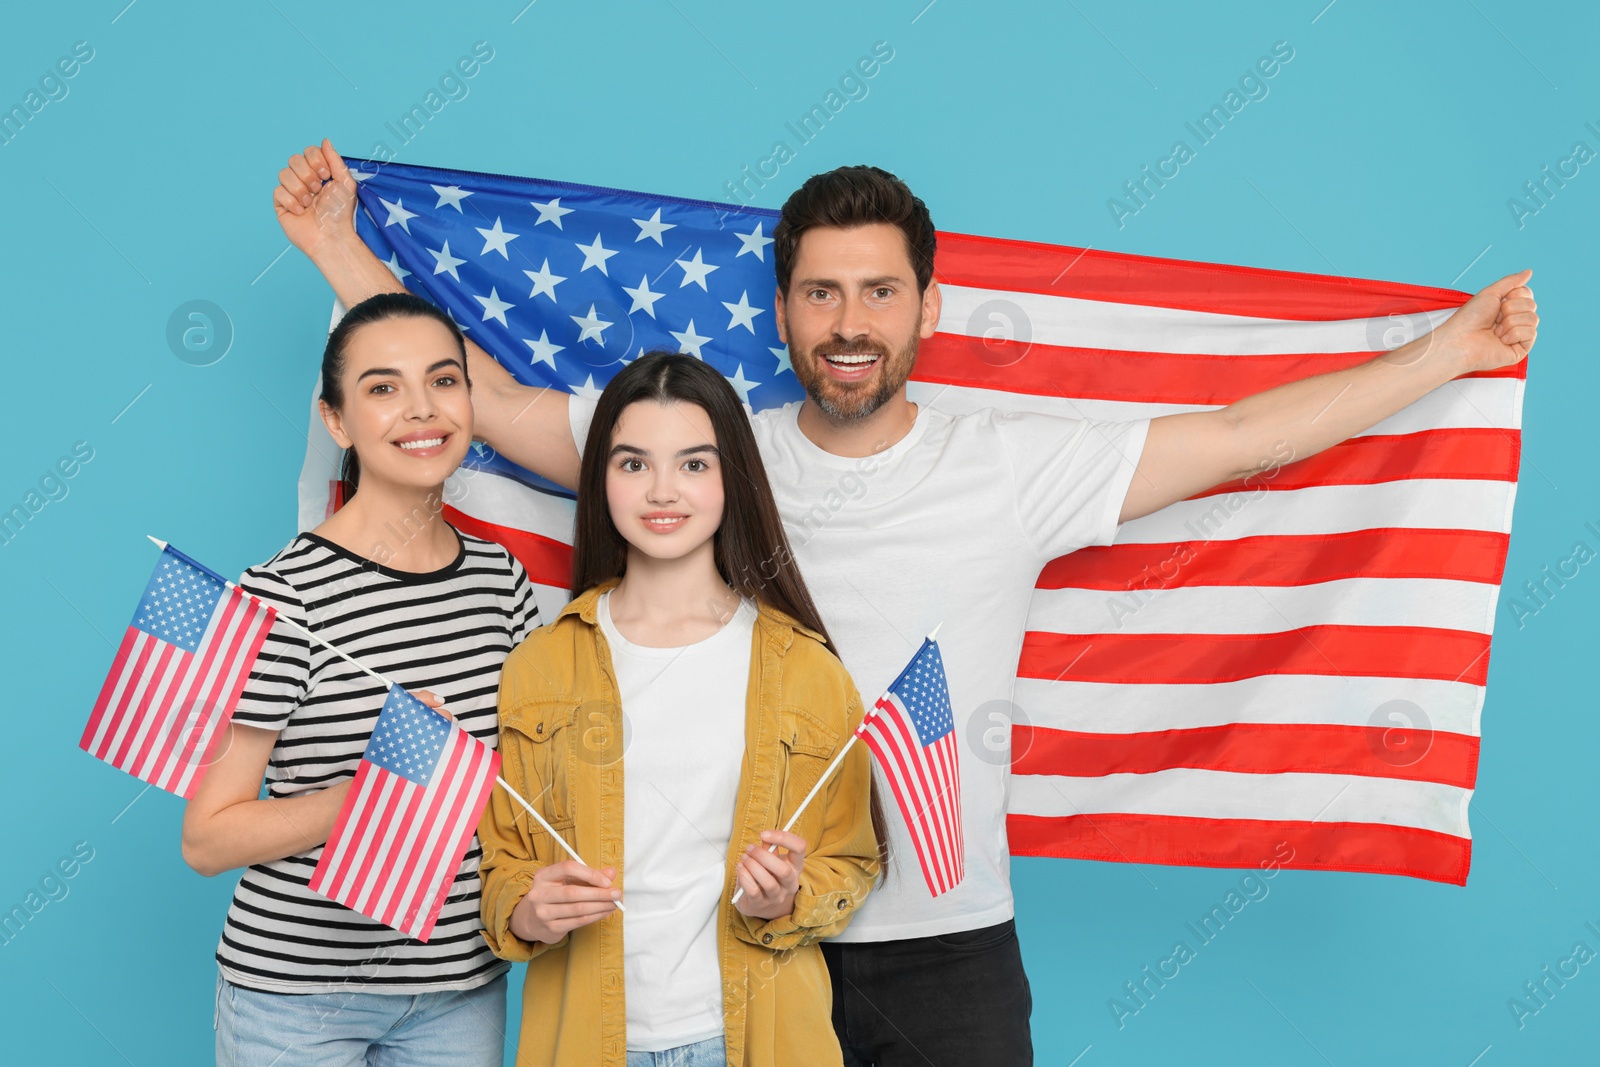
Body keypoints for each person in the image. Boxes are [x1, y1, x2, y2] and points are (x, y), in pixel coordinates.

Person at [274, 141, 1539, 1064]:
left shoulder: (1006, 463)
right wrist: (339, 249)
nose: (849, 320)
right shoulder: (703, 445)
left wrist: (1448, 352)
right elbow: (475, 403)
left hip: (946, 946)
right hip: (746, 946)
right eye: (820, 291)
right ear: (781, 312)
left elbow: (1237, 435)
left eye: (880, 291)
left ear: (927, 307)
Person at [477, 352, 884, 1066]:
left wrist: (787, 897)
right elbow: (504, 863)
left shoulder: (808, 669)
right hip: (586, 1041)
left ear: (733, 478)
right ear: (601, 479)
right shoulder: (539, 665)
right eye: (633, 464)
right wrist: (527, 909)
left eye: (694, 464)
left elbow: (850, 858)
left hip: (758, 1038)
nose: (663, 490)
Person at [181, 292, 539, 1066]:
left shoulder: (501, 580)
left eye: (444, 381)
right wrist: (371, 792)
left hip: (460, 984)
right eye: (382, 387)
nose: (421, 409)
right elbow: (208, 838)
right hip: (297, 997)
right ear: (336, 420)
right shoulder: (278, 596)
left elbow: (519, 776)